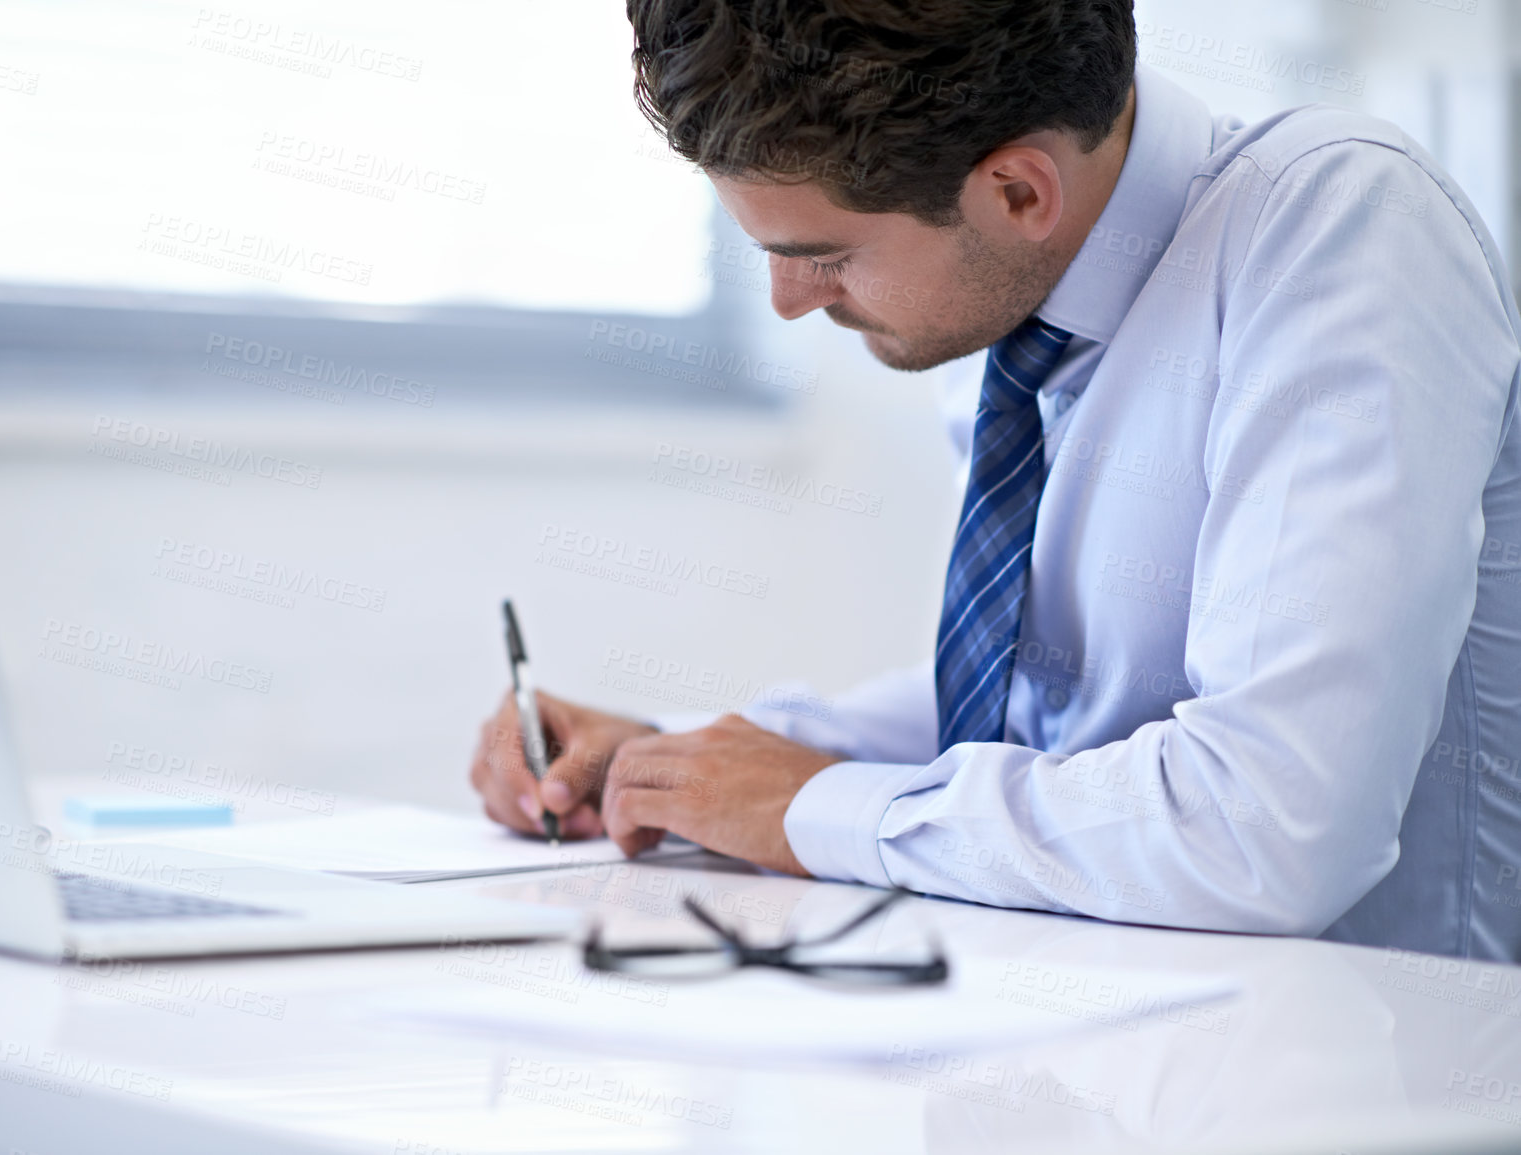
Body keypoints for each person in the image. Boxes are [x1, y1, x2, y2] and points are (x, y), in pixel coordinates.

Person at [469, 0, 1521, 961]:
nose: (790, 300)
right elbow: (1045, 712)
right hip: (1113, 1034)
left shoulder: (1335, 226)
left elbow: (1267, 829)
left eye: (823, 254)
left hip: (1392, 1067)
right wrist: (688, 770)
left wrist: (816, 805)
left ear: (1019, 190)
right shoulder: (1003, 297)